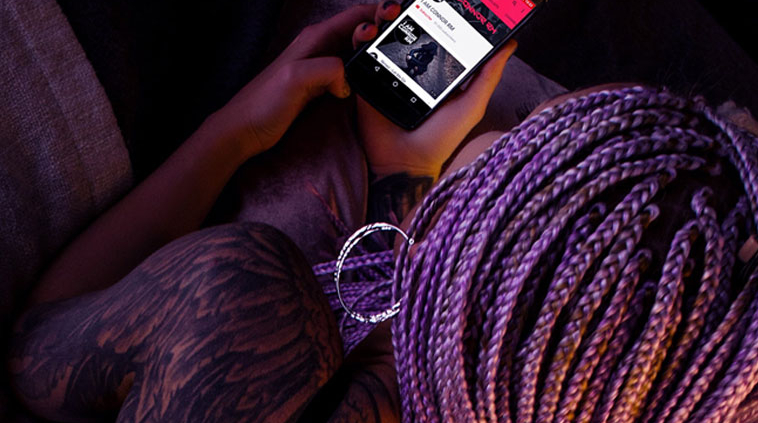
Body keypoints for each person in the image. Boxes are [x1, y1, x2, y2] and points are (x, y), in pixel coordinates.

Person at [7, 2, 517, 422]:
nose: (511, 130)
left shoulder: (248, 313)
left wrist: (232, 133)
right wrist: (403, 168)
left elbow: (36, 354)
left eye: (528, 140)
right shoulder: (399, 393)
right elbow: (381, 372)